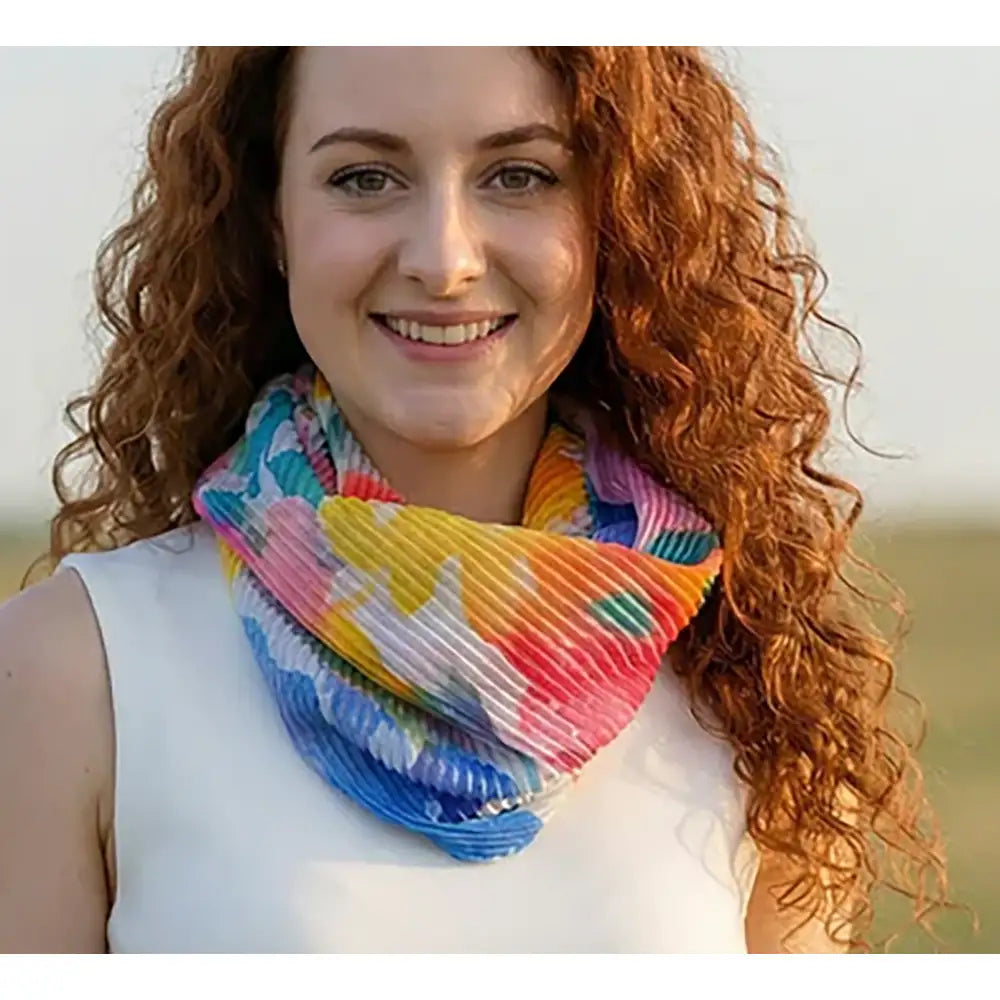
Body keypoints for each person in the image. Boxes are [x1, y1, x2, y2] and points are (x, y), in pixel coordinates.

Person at [0, 46, 949, 954]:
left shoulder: (751, 667)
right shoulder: (74, 674)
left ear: (619, 212)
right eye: (365, 177)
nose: (444, 259)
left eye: (521, 175)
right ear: (272, 221)